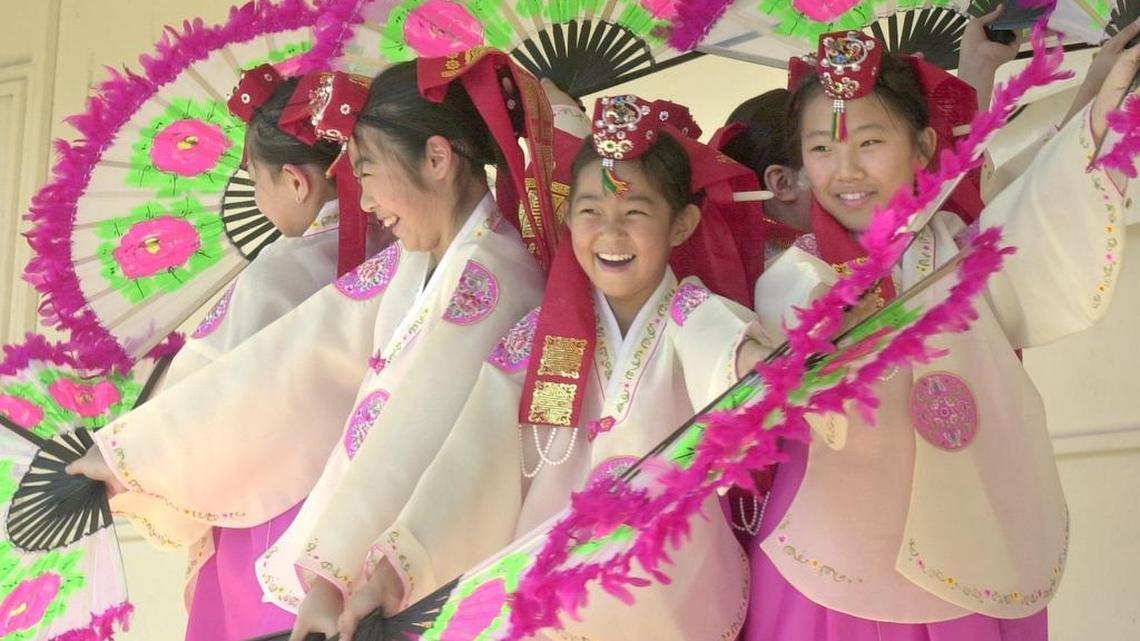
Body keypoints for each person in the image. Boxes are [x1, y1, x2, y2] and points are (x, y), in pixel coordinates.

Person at [66, 50, 576, 641]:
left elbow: (409, 434)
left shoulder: (492, 277)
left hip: (414, 566)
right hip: (368, 557)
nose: (362, 202)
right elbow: (297, 360)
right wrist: (135, 454)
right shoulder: (417, 262)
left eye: (366, 171)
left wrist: (336, 576)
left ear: (436, 159)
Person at [332, 94, 773, 641]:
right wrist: (391, 575)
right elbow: (473, 457)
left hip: (662, 595)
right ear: (568, 217)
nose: (610, 234)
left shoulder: (691, 313)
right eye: (591, 212)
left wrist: (757, 364)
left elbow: (724, 348)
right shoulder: (546, 340)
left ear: (681, 224)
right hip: (552, 603)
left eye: (635, 212)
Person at [746, 30, 1135, 640]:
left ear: (924, 146)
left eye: (870, 142)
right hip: (830, 554)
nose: (845, 170)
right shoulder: (789, 274)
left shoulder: (967, 247)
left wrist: (1105, 94)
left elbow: (1046, 196)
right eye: (821, 147)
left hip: (973, 530)